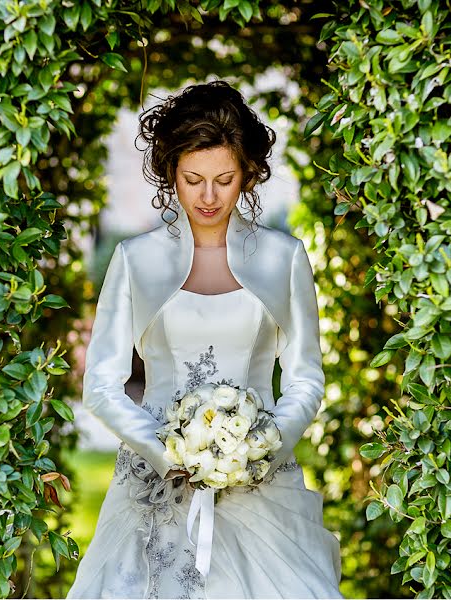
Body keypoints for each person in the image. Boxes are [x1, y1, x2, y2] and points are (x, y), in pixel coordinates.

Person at [66, 80, 343, 599]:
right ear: (172, 173)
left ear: (249, 175)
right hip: (153, 485)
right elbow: (101, 386)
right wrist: (171, 454)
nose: (209, 197)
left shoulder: (284, 258)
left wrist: (259, 448)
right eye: (193, 180)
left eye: (225, 179)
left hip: (260, 483)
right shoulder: (134, 260)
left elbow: (305, 377)